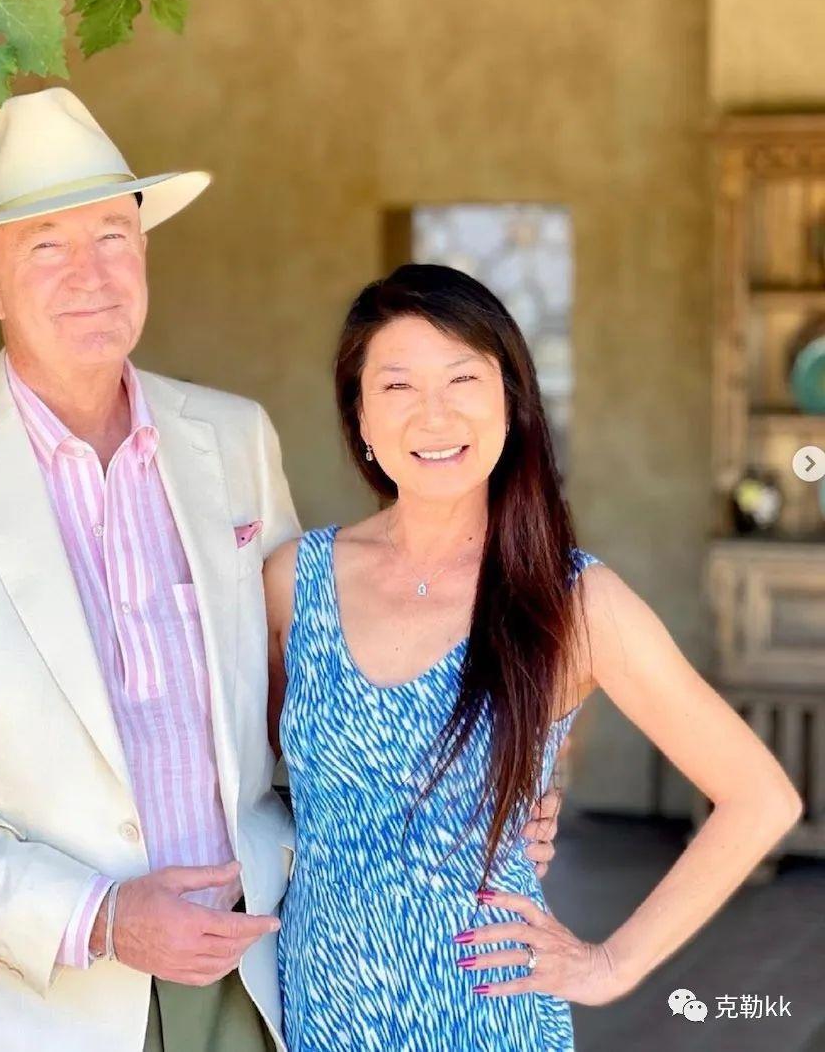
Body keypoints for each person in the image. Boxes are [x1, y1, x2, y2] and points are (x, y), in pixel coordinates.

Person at [0, 88, 564, 1052]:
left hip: (249, 978)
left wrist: (478, 790)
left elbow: (321, 692)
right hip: (28, 1004)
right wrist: (100, 915)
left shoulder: (233, 437)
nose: (91, 274)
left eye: (113, 235)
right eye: (46, 244)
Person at [264, 263, 804, 1052]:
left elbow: (760, 797)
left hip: (487, 1017)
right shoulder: (294, 581)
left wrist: (610, 963)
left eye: (463, 379)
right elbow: (258, 787)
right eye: (398, 385)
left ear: (510, 403)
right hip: (319, 1010)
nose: (434, 413)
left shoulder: (571, 600)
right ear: (361, 418)